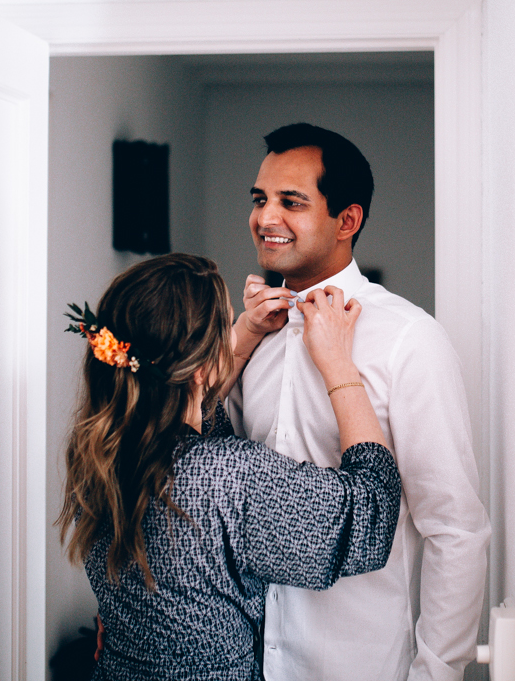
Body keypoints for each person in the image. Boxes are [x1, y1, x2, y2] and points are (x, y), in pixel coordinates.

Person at [56, 253, 402, 681]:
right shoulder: (229, 477)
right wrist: (338, 365)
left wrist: (246, 332)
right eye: (225, 328)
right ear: (202, 368)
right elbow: (370, 516)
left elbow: (189, 418)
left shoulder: (95, 453)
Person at [227, 123, 491, 681]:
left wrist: (436, 672)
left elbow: (455, 529)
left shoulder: (409, 340)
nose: (265, 217)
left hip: (359, 664)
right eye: (259, 199)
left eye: (291, 202)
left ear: (347, 221)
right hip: (244, 663)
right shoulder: (253, 334)